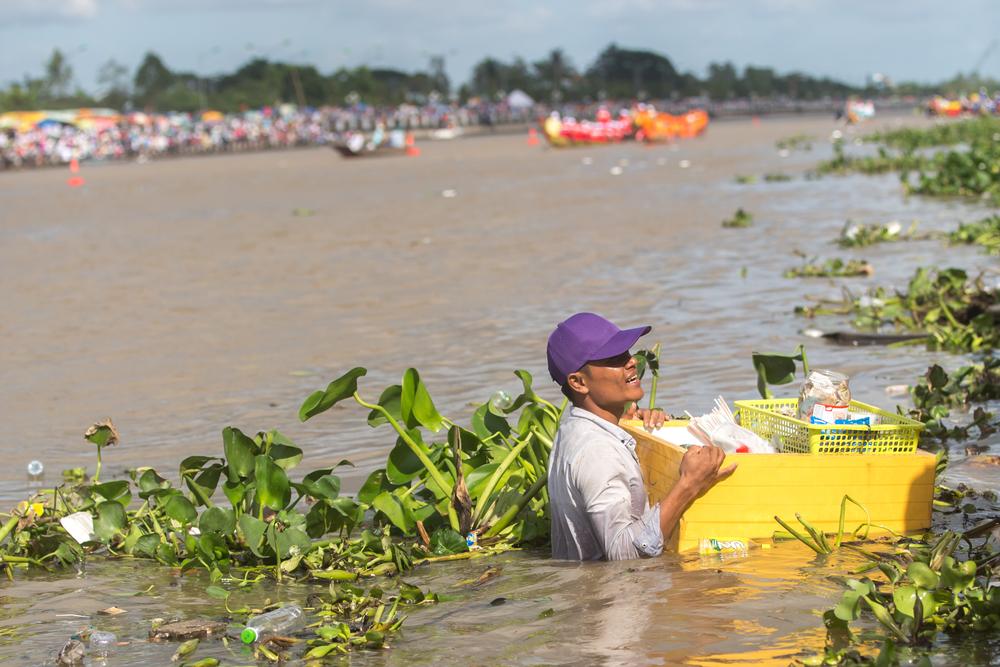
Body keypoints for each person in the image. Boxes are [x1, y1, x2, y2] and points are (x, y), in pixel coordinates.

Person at [546, 312, 736, 561]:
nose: (632, 361)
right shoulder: (597, 451)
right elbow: (625, 553)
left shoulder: (573, 428)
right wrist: (689, 484)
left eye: (627, 352)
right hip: (615, 596)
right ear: (579, 382)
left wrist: (628, 423)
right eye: (614, 358)